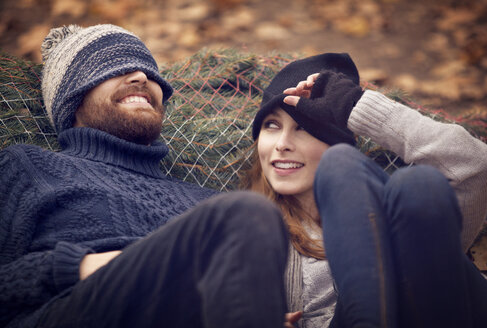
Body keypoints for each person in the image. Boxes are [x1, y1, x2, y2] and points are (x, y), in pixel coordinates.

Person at [0, 24, 290, 328]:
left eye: (150, 74)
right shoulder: (29, 167)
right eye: (111, 67)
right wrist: (80, 265)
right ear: (71, 99)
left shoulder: (209, 203)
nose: (141, 77)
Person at [241, 53, 487, 328]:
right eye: (272, 125)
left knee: (417, 184)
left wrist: (354, 106)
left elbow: (476, 166)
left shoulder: (403, 222)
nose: (282, 144)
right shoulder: (248, 233)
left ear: (336, 139)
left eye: (304, 127)